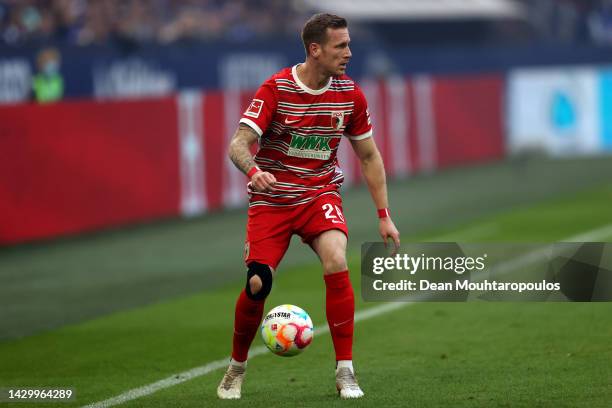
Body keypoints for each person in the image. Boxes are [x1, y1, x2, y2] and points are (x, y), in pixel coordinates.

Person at [217, 13, 400, 400]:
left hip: (319, 195)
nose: (349, 52)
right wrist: (254, 171)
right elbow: (237, 144)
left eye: (349, 44)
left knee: (336, 257)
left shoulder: (350, 95)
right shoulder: (277, 89)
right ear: (315, 50)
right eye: (341, 46)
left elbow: (369, 156)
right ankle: (236, 367)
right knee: (257, 284)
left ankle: (345, 371)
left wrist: (384, 216)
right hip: (273, 200)